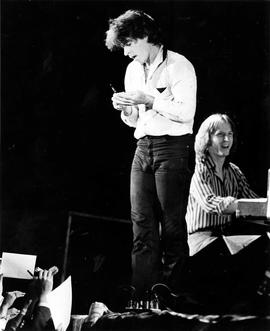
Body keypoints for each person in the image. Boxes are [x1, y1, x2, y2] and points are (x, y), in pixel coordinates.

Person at [105, 9, 197, 298]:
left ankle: (172, 296)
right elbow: (136, 121)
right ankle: (141, 296)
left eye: (129, 44)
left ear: (144, 36)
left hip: (173, 147)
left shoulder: (179, 65)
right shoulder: (133, 69)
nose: (125, 52)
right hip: (143, 148)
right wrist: (126, 109)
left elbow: (186, 112)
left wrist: (151, 99)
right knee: (141, 226)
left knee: (171, 226)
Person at [184, 113, 269, 312]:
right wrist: (245, 205)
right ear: (207, 139)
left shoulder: (234, 171)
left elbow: (253, 203)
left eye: (230, 134)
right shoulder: (200, 170)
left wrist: (266, 206)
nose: (227, 140)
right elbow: (211, 203)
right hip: (201, 246)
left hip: (225, 242)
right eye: (220, 135)